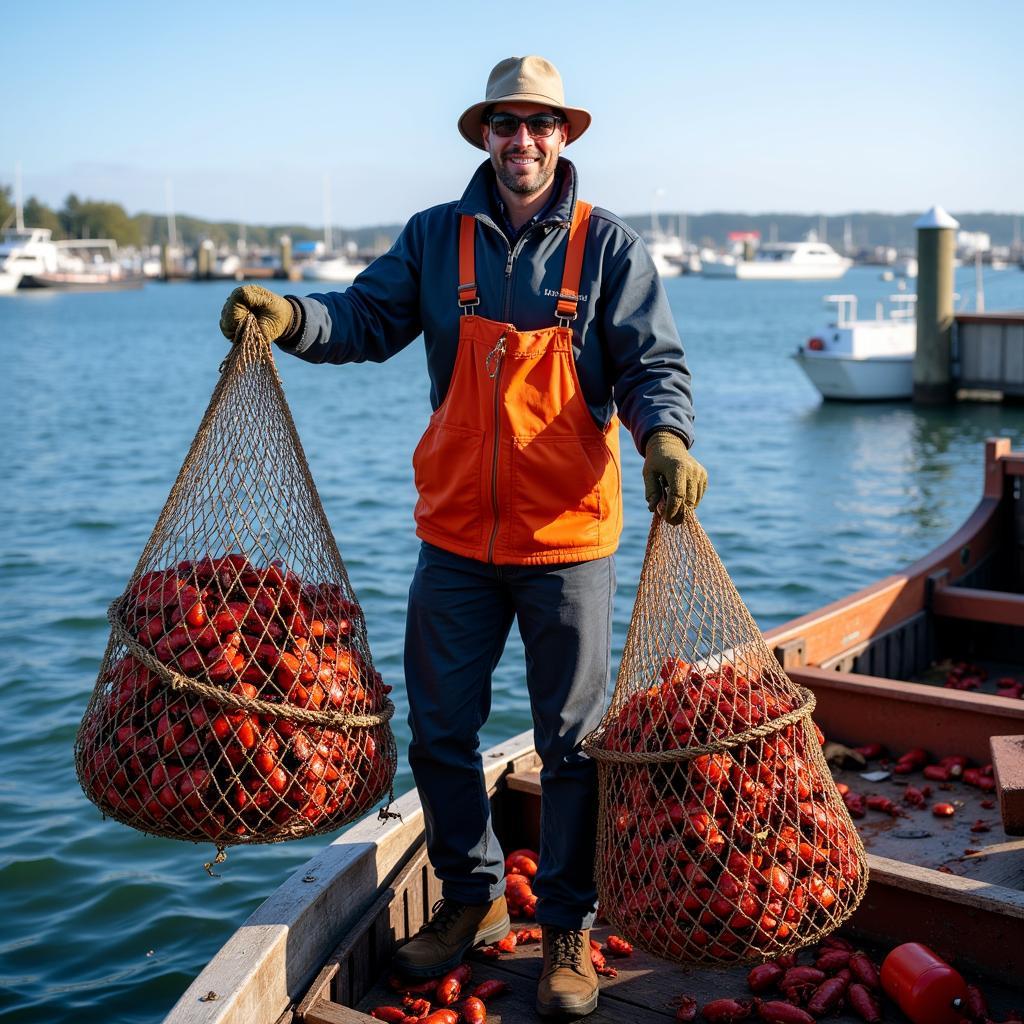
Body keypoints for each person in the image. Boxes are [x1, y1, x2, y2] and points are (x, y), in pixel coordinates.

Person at [221, 55, 706, 1020]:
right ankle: (470, 899)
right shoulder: (435, 238)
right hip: (454, 541)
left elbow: (654, 363)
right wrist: (292, 315)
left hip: (569, 544)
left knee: (573, 748)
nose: (520, 141)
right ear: (484, 136)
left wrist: (666, 439)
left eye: (538, 124)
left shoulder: (609, 249)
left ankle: (568, 925)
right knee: (441, 734)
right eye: (503, 125)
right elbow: (363, 317)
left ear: (563, 135)